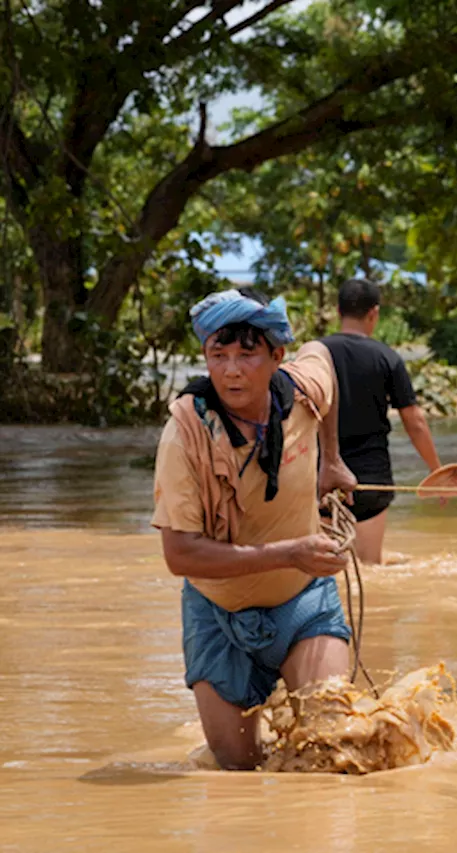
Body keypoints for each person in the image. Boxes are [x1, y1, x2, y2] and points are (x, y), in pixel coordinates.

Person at [152, 288, 358, 770]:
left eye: (247, 354)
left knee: (332, 748)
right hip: (217, 612)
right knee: (237, 770)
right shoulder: (186, 434)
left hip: (303, 601)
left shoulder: (303, 390)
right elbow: (179, 556)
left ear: (276, 356)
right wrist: (289, 552)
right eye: (217, 355)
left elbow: (323, 355)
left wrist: (332, 459)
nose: (231, 370)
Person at [321, 278, 442, 564]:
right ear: (374, 313)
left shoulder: (315, 354)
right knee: (370, 567)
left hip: (321, 476)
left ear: (338, 311)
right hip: (370, 479)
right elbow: (415, 422)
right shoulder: (387, 358)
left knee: (324, 570)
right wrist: (436, 472)